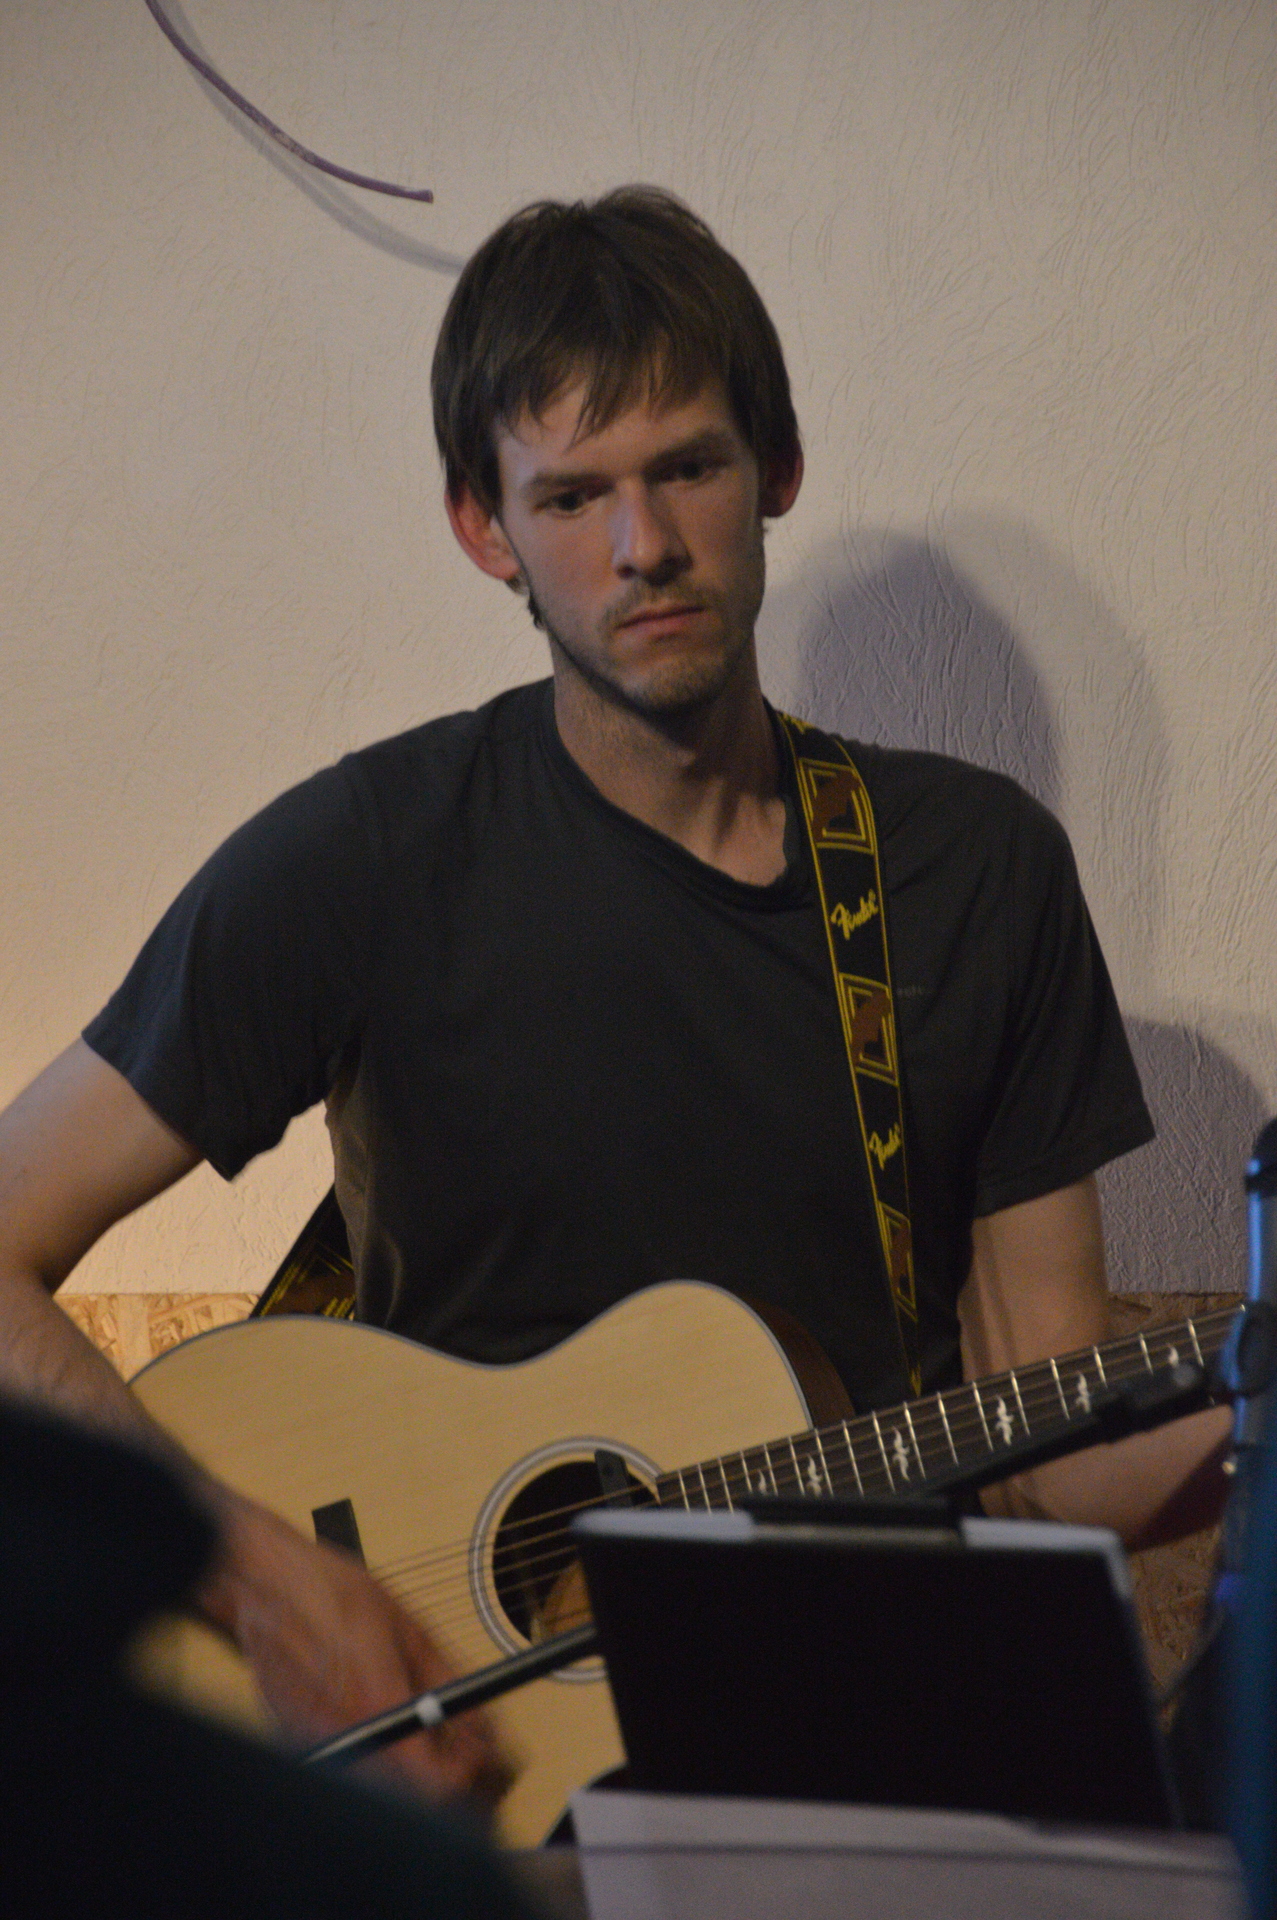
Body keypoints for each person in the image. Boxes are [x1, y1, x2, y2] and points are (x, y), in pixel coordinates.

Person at [0, 186, 1233, 1811]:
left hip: (863, 1737)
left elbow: (1050, 1462)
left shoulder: (971, 872)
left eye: (687, 469)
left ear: (775, 467)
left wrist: (1253, 1414)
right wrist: (263, 1578)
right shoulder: (363, 860)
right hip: (491, 1769)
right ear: (484, 528)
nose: (642, 546)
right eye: (572, 495)